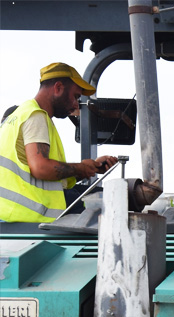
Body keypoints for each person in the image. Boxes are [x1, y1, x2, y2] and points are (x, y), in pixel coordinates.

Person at [0, 62, 118, 223]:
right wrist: (80, 167)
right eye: (76, 96)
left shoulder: (19, 115)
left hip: (11, 209)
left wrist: (83, 169)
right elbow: (41, 168)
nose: (76, 104)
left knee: (100, 196)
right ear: (58, 88)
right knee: (114, 203)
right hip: (32, 211)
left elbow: (37, 177)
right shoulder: (36, 116)